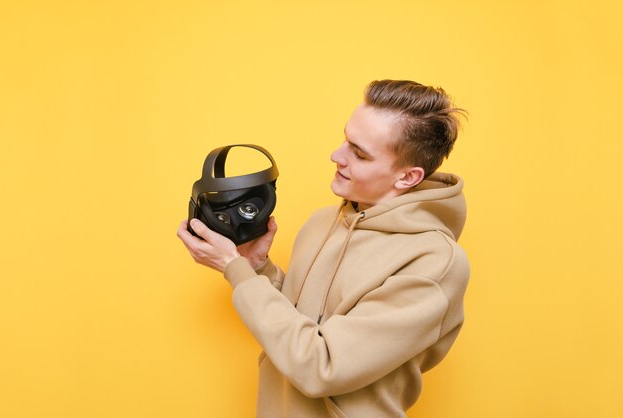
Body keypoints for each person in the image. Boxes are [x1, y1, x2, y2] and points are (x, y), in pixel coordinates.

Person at [177, 79, 470, 418]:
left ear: (407, 177)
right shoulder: (323, 221)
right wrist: (259, 268)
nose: (337, 156)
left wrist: (235, 269)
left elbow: (320, 366)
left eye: (359, 153)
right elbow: (297, 326)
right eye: (346, 139)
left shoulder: (434, 263)